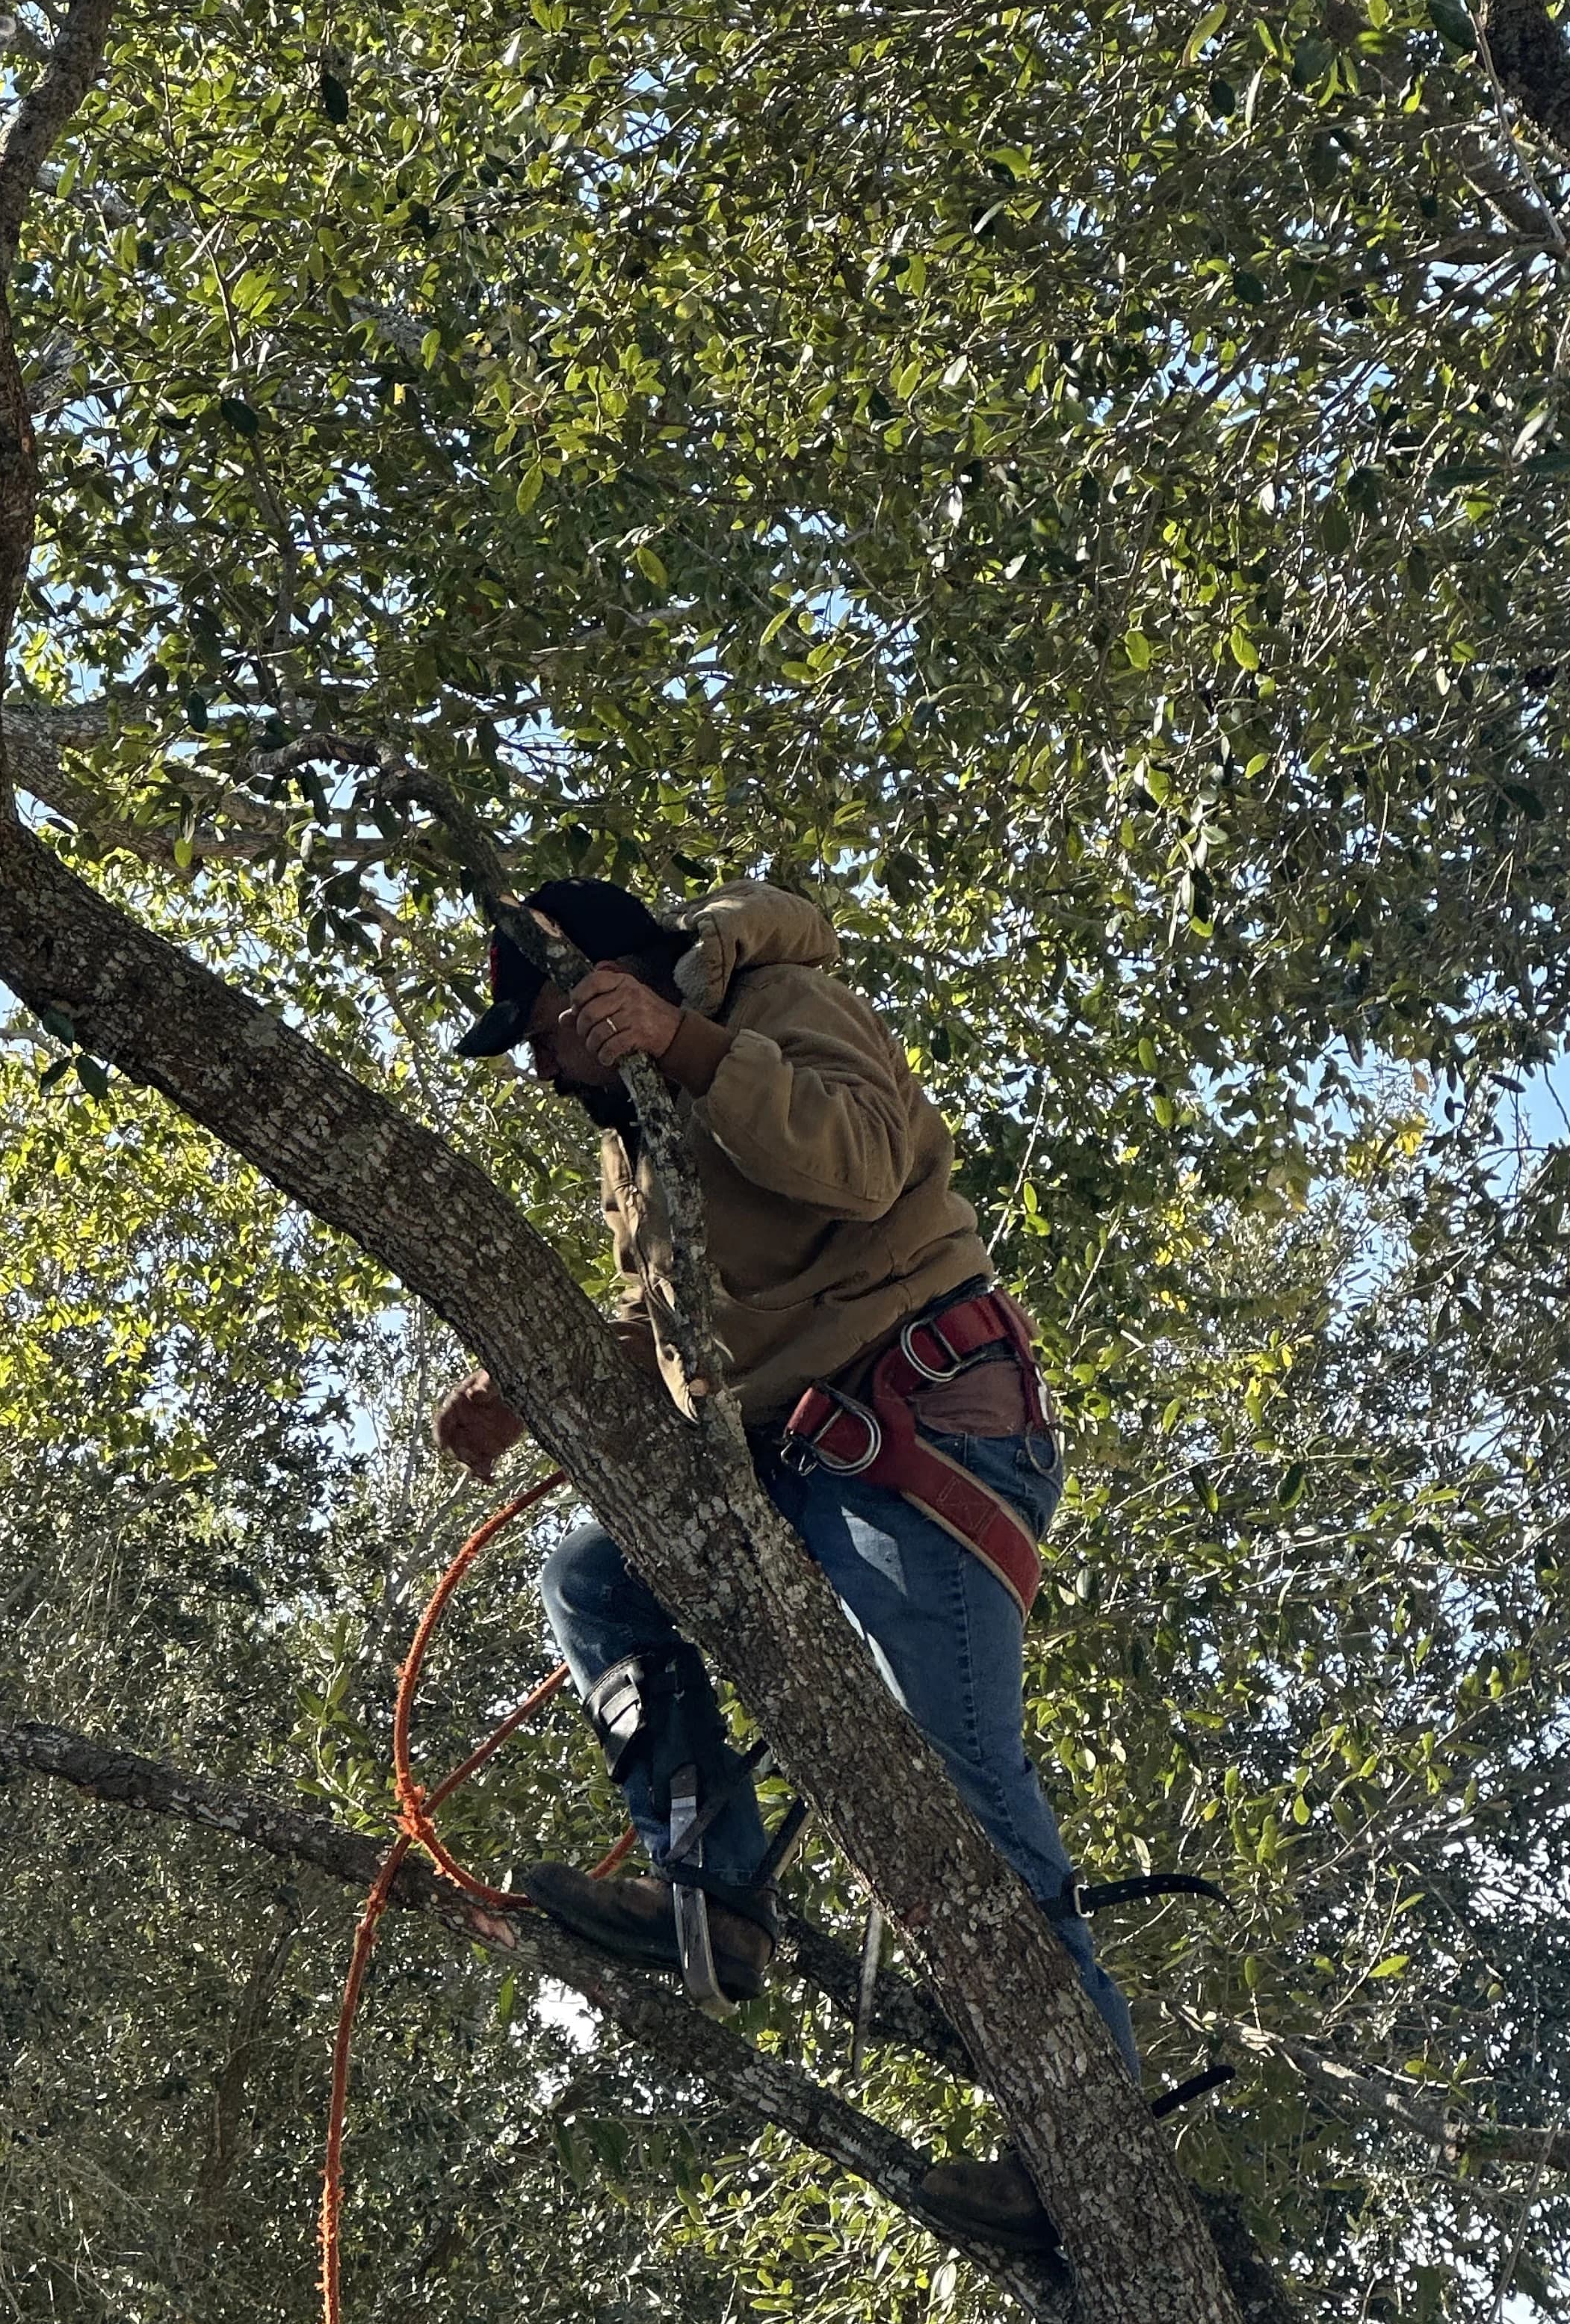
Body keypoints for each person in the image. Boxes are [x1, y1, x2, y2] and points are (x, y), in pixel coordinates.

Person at [434, 875, 1137, 2252]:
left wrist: (692, 1048)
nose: (539, 1068)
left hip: (914, 1422)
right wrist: (525, 1384)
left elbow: (866, 1161)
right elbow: (687, 1321)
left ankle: (1093, 2153)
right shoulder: (635, 1138)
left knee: (955, 1762)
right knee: (595, 1582)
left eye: (545, 1029)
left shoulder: (776, 1004)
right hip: (788, 1449)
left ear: (607, 988)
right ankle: (709, 1890)